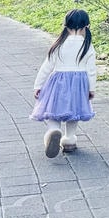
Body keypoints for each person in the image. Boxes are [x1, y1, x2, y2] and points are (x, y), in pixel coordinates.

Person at [31, 9, 97, 158]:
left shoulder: (59, 44)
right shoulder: (87, 45)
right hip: (79, 85)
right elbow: (91, 70)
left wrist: (38, 85)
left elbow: (47, 66)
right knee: (74, 112)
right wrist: (91, 88)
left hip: (57, 81)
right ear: (87, 26)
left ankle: (53, 131)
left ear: (66, 26)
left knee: (53, 110)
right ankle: (69, 140)